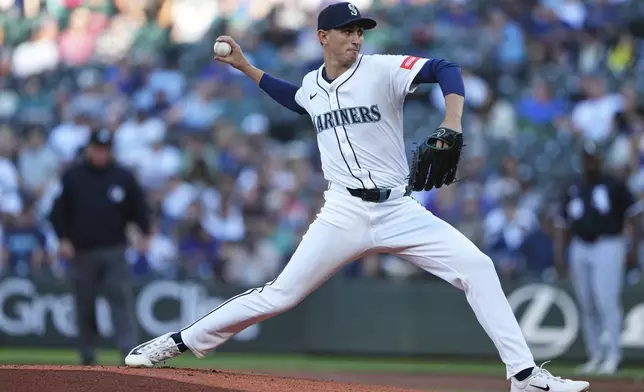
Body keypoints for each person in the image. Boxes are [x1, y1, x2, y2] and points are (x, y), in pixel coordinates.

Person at [124, 3, 589, 391]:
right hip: (343, 211)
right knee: (279, 295)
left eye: (360, 30)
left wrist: (453, 122)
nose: (356, 38)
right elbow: (295, 97)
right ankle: (177, 342)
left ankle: (524, 375)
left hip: (398, 208)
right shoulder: (312, 85)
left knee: (478, 268)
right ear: (323, 36)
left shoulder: (382, 70)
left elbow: (445, 68)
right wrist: (247, 68)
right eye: (346, 31)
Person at [49, 129, 150, 365]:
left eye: (105, 150)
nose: (100, 154)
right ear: (88, 148)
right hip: (82, 251)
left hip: (115, 250)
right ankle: (87, 355)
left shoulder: (123, 176)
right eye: (97, 149)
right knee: (84, 305)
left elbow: (139, 209)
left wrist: (142, 231)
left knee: (121, 303)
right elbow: (58, 212)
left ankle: (129, 353)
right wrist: (62, 238)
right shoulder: (73, 176)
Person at [554, 141, 642, 375]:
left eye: (593, 158)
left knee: (607, 301)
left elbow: (634, 215)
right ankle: (596, 355)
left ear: (599, 159)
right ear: (581, 160)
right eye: (586, 158)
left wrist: (633, 246)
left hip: (608, 243)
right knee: (587, 303)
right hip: (580, 245)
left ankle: (613, 355)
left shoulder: (613, 184)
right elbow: (562, 225)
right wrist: (560, 256)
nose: (590, 162)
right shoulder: (573, 186)